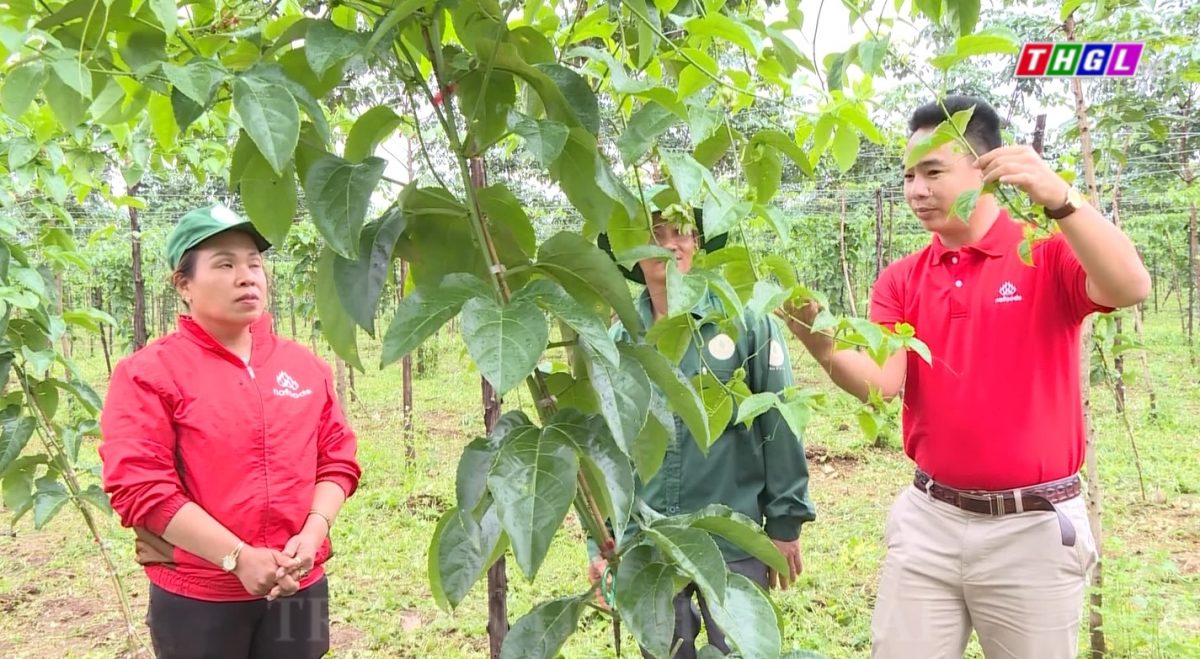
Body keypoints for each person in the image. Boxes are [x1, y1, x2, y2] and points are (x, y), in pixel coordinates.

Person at [781, 95, 1151, 658]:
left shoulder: (1043, 251)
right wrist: (809, 327)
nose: (916, 191)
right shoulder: (902, 279)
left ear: (987, 167)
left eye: (933, 172)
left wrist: (1060, 198)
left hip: (1031, 526)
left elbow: (1129, 287)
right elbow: (881, 383)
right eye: (908, 176)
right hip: (930, 518)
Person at [100, 203, 362, 659]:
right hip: (200, 597)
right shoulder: (150, 373)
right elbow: (140, 487)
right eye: (225, 264)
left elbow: (337, 458)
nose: (247, 276)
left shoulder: (304, 367)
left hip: (298, 587)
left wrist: (314, 532)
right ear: (183, 285)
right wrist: (236, 558)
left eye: (254, 264)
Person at [592, 205, 816, 658]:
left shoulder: (747, 325)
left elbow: (779, 424)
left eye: (683, 232)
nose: (670, 244)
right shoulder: (618, 345)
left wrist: (785, 523)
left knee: (735, 648)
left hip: (732, 539)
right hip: (649, 544)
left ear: (698, 243)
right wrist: (601, 543)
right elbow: (604, 453)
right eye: (656, 233)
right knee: (665, 650)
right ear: (634, 252)